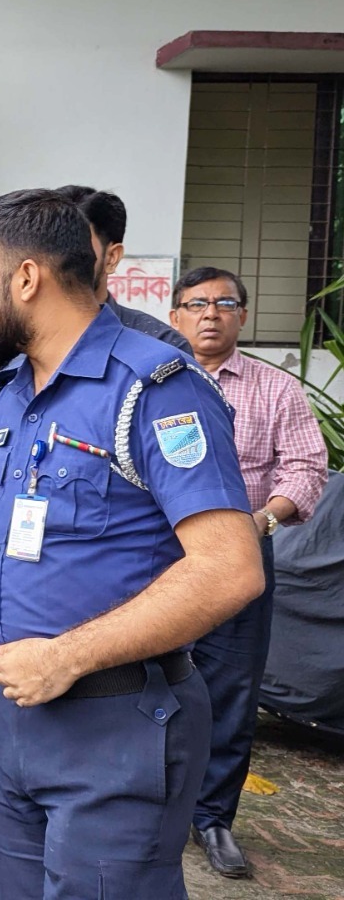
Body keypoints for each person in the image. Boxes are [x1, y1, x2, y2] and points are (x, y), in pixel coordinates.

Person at [0, 190, 266, 900]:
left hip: (119, 729)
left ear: (26, 279)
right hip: (21, 723)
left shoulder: (156, 389)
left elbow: (231, 569)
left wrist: (64, 656)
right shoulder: (14, 386)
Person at [167, 267, 328, 878]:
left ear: (243, 316)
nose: (210, 313)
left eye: (224, 303)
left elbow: (307, 468)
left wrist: (261, 520)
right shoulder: (153, 382)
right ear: (176, 316)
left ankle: (212, 820)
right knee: (143, 677)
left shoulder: (276, 390)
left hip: (239, 552)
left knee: (231, 689)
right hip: (156, 556)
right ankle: (144, 804)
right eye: (196, 303)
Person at [0, 186, 192, 506]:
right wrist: (3, 521)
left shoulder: (157, 361)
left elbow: (209, 536)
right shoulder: (12, 356)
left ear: (111, 256)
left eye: (81, 242)